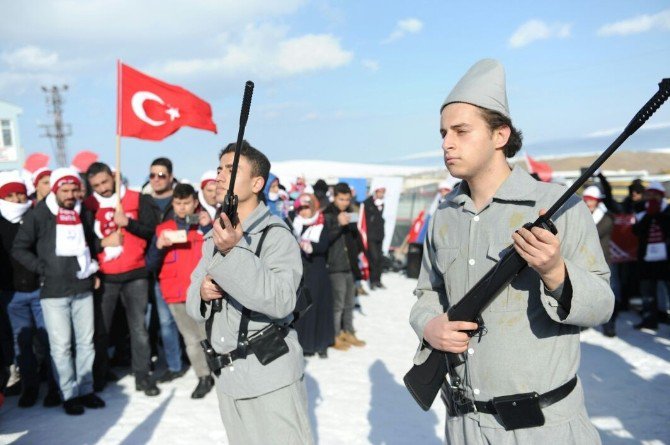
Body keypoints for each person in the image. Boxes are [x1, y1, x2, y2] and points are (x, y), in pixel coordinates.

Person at [410, 59, 613, 443]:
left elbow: (602, 305)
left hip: (543, 429)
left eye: (461, 131)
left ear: (500, 135)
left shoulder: (559, 205)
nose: (446, 144)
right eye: (442, 133)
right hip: (464, 425)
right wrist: (430, 326)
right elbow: (427, 293)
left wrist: (555, 271)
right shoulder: (445, 215)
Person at [186, 141, 313, 444]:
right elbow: (192, 302)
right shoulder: (212, 237)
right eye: (219, 168)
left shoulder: (275, 234)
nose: (220, 176)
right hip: (229, 379)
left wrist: (235, 251)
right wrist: (203, 294)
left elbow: (281, 300)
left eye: (231, 169)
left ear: (257, 183)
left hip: (270, 375)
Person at [13, 168, 105, 415]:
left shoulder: (82, 210)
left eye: (75, 189)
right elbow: (19, 248)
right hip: (53, 292)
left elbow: (88, 244)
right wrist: (41, 268)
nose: (70, 194)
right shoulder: (40, 213)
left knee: (86, 343)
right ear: (55, 190)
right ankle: (68, 394)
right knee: (61, 347)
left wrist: (93, 268)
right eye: (65, 190)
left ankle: (86, 390)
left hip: (82, 286)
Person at [84, 162, 160, 396]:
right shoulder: (88, 205)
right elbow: (84, 241)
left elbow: (151, 231)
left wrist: (129, 223)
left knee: (138, 328)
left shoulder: (138, 198)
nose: (102, 188)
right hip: (105, 276)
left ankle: (142, 375)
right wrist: (102, 243)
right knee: (102, 329)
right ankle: (100, 374)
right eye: (96, 185)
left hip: (135, 274)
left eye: (105, 182)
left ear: (114, 176)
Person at [146, 183, 214, 399]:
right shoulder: (163, 229)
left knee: (210, 335)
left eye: (186, 203)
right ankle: (204, 376)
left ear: (195, 202)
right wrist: (159, 246)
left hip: (204, 290)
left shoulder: (206, 225)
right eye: (178, 203)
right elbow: (150, 264)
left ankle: (220, 369)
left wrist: (207, 227)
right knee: (191, 338)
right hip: (175, 292)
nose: (182, 208)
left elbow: (221, 251)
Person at [0, 171, 60, 408]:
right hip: (10, 294)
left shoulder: (37, 217)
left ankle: (54, 387)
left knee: (48, 341)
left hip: (39, 290)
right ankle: (30, 387)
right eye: (10, 195)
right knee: (21, 345)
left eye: (20, 195)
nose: (16, 200)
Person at [143, 157, 185, 383]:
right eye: (152, 175)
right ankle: (174, 364)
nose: (156, 179)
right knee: (165, 322)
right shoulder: (144, 200)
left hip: (182, 267)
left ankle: (199, 361)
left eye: (161, 175)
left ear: (170, 177)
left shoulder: (181, 199)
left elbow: (195, 221)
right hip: (155, 268)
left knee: (190, 319)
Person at [290, 193, 334, 358]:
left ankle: (320, 344)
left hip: (316, 272)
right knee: (302, 309)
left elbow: (324, 244)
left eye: (307, 208)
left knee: (317, 308)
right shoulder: (294, 223)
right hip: (299, 272)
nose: (303, 212)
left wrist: (311, 247)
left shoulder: (321, 224)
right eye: (300, 208)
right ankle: (304, 344)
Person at [323, 183, 366, 350]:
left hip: (349, 265)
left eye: (347, 199)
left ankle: (348, 331)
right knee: (338, 305)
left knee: (349, 303)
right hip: (334, 266)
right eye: (341, 199)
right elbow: (324, 239)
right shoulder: (326, 214)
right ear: (334, 197)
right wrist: (337, 225)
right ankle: (334, 335)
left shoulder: (349, 212)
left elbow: (354, 239)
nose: (345, 202)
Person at [632, 181, 670, 330]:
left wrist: (658, 215)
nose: (651, 197)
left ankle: (664, 314)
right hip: (647, 258)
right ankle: (649, 319)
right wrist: (649, 215)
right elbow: (637, 231)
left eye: (655, 194)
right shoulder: (641, 210)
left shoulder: (667, 210)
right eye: (649, 194)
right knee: (647, 291)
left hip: (666, 259)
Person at [582, 186, 617, 336]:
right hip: (584, 260)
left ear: (597, 201)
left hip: (603, 260)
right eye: (586, 199)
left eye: (591, 200)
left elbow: (595, 233)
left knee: (607, 294)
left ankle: (609, 325)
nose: (588, 202)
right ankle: (585, 321)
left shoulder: (606, 217)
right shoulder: (582, 215)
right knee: (585, 292)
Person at [363, 186, 386, 289]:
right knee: (373, 258)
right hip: (371, 235)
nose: (382, 194)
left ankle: (378, 280)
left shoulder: (382, 203)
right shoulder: (368, 203)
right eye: (380, 192)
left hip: (379, 235)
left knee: (379, 258)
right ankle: (372, 280)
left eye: (383, 192)